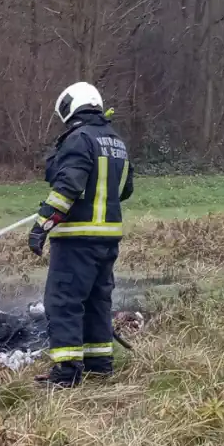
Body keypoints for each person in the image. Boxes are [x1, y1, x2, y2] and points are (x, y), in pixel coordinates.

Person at [28, 81, 134, 388]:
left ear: (72, 106)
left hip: (76, 237)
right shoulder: (116, 142)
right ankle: (100, 364)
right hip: (108, 237)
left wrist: (41, 225)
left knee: (63, 301)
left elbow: (67, 188)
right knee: (97, 300)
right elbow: (124, 190)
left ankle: (66, 373)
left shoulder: (79, 139)